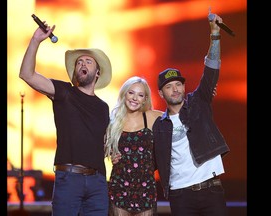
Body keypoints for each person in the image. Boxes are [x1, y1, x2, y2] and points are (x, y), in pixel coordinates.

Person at [19, 21, 112, 216]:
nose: (82, 64)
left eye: (88, 61)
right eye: (79, 62)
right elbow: (27, 74)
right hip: (70, 179)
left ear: (97, 73)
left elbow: (103, 144)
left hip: (98, 182)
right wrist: (36, 40)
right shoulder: (64, 93)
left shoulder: (103, 108)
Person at [152, 12, 230, 216]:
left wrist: (214, 35)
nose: (176, 89)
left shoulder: (198, 102)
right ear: (161, 93)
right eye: (170, 86)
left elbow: (211, 69)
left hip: (211, 189)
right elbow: (150, 159)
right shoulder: (159, 126)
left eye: (179, 84)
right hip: (180, 195)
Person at [104, 76, 163, 216]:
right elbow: (102, 149)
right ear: (124, 94)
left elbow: (178, 120)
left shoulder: (153, 117)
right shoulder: (113, 122)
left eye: (140, 95)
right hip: (119, 186)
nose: (135, 98)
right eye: (131, 93)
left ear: (145, 99)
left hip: (146, 188)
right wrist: (111, 155)